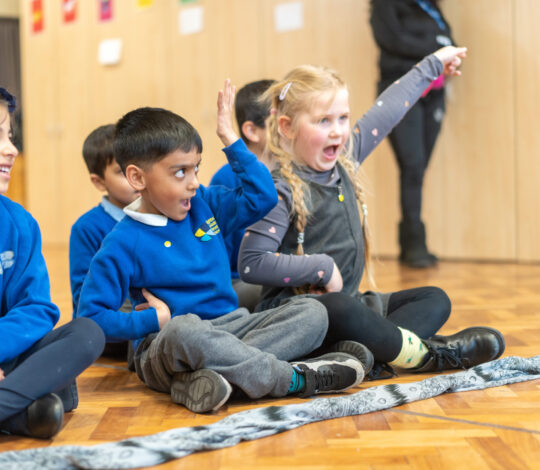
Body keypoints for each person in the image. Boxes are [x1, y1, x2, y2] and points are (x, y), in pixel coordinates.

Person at [76, 80, 368, 414]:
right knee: (184, 331)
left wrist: (231, 140)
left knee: (312, 311)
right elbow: (91, 318)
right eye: (180, 172)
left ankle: (211, 378)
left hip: (232, 325)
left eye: (196, 167)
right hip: (166, 345)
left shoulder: (203, 203)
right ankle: (292, 379)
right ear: (138, 178)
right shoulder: (121, 242)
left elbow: (263, 196)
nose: (193, 181)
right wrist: (151, 322)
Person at [238, 47, 506, 377]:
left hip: (352, 307)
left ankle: (368, 353)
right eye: (323, 121)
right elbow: (251, 264)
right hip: (302, 315)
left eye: (342, 118)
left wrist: (433, 65)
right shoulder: (279, 190)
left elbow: (389, 109)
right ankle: (427, 356)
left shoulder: (345, 162)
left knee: (435, 298)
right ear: (287, 127)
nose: (337, 130)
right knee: (341, 308)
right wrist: (319, 268)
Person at [0, 87, 105, 439]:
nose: (12, 150)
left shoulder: (18, 223)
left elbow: (36, 308)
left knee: (87, 334)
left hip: (5, 353)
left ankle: (13, 404)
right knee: (52, 398)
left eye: (10, 136)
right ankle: (21, 410)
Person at [370, 0, 455, 267]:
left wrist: (448, 53)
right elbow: (391, 39)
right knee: (412, 166)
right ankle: (413, 245)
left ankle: (413, 244)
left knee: (419, 169)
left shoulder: (430, 5)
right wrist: (437, 52)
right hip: (402, 90)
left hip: (435, 92)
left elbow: (449, 38)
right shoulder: (385, 4)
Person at [69, 124, 139, 362]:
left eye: (139, 167)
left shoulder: (162, 214)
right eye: (122, 172)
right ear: (99, 182)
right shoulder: (87, 227)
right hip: (111, 322)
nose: (136, 178)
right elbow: (83, 299)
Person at [210, 79, 276, 311]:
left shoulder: (293, 171)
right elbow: (219, 254)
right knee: (283, 288)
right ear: (251, 131)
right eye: (279, 121)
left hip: (282, 271)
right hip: (241, 281)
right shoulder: (226, 179)